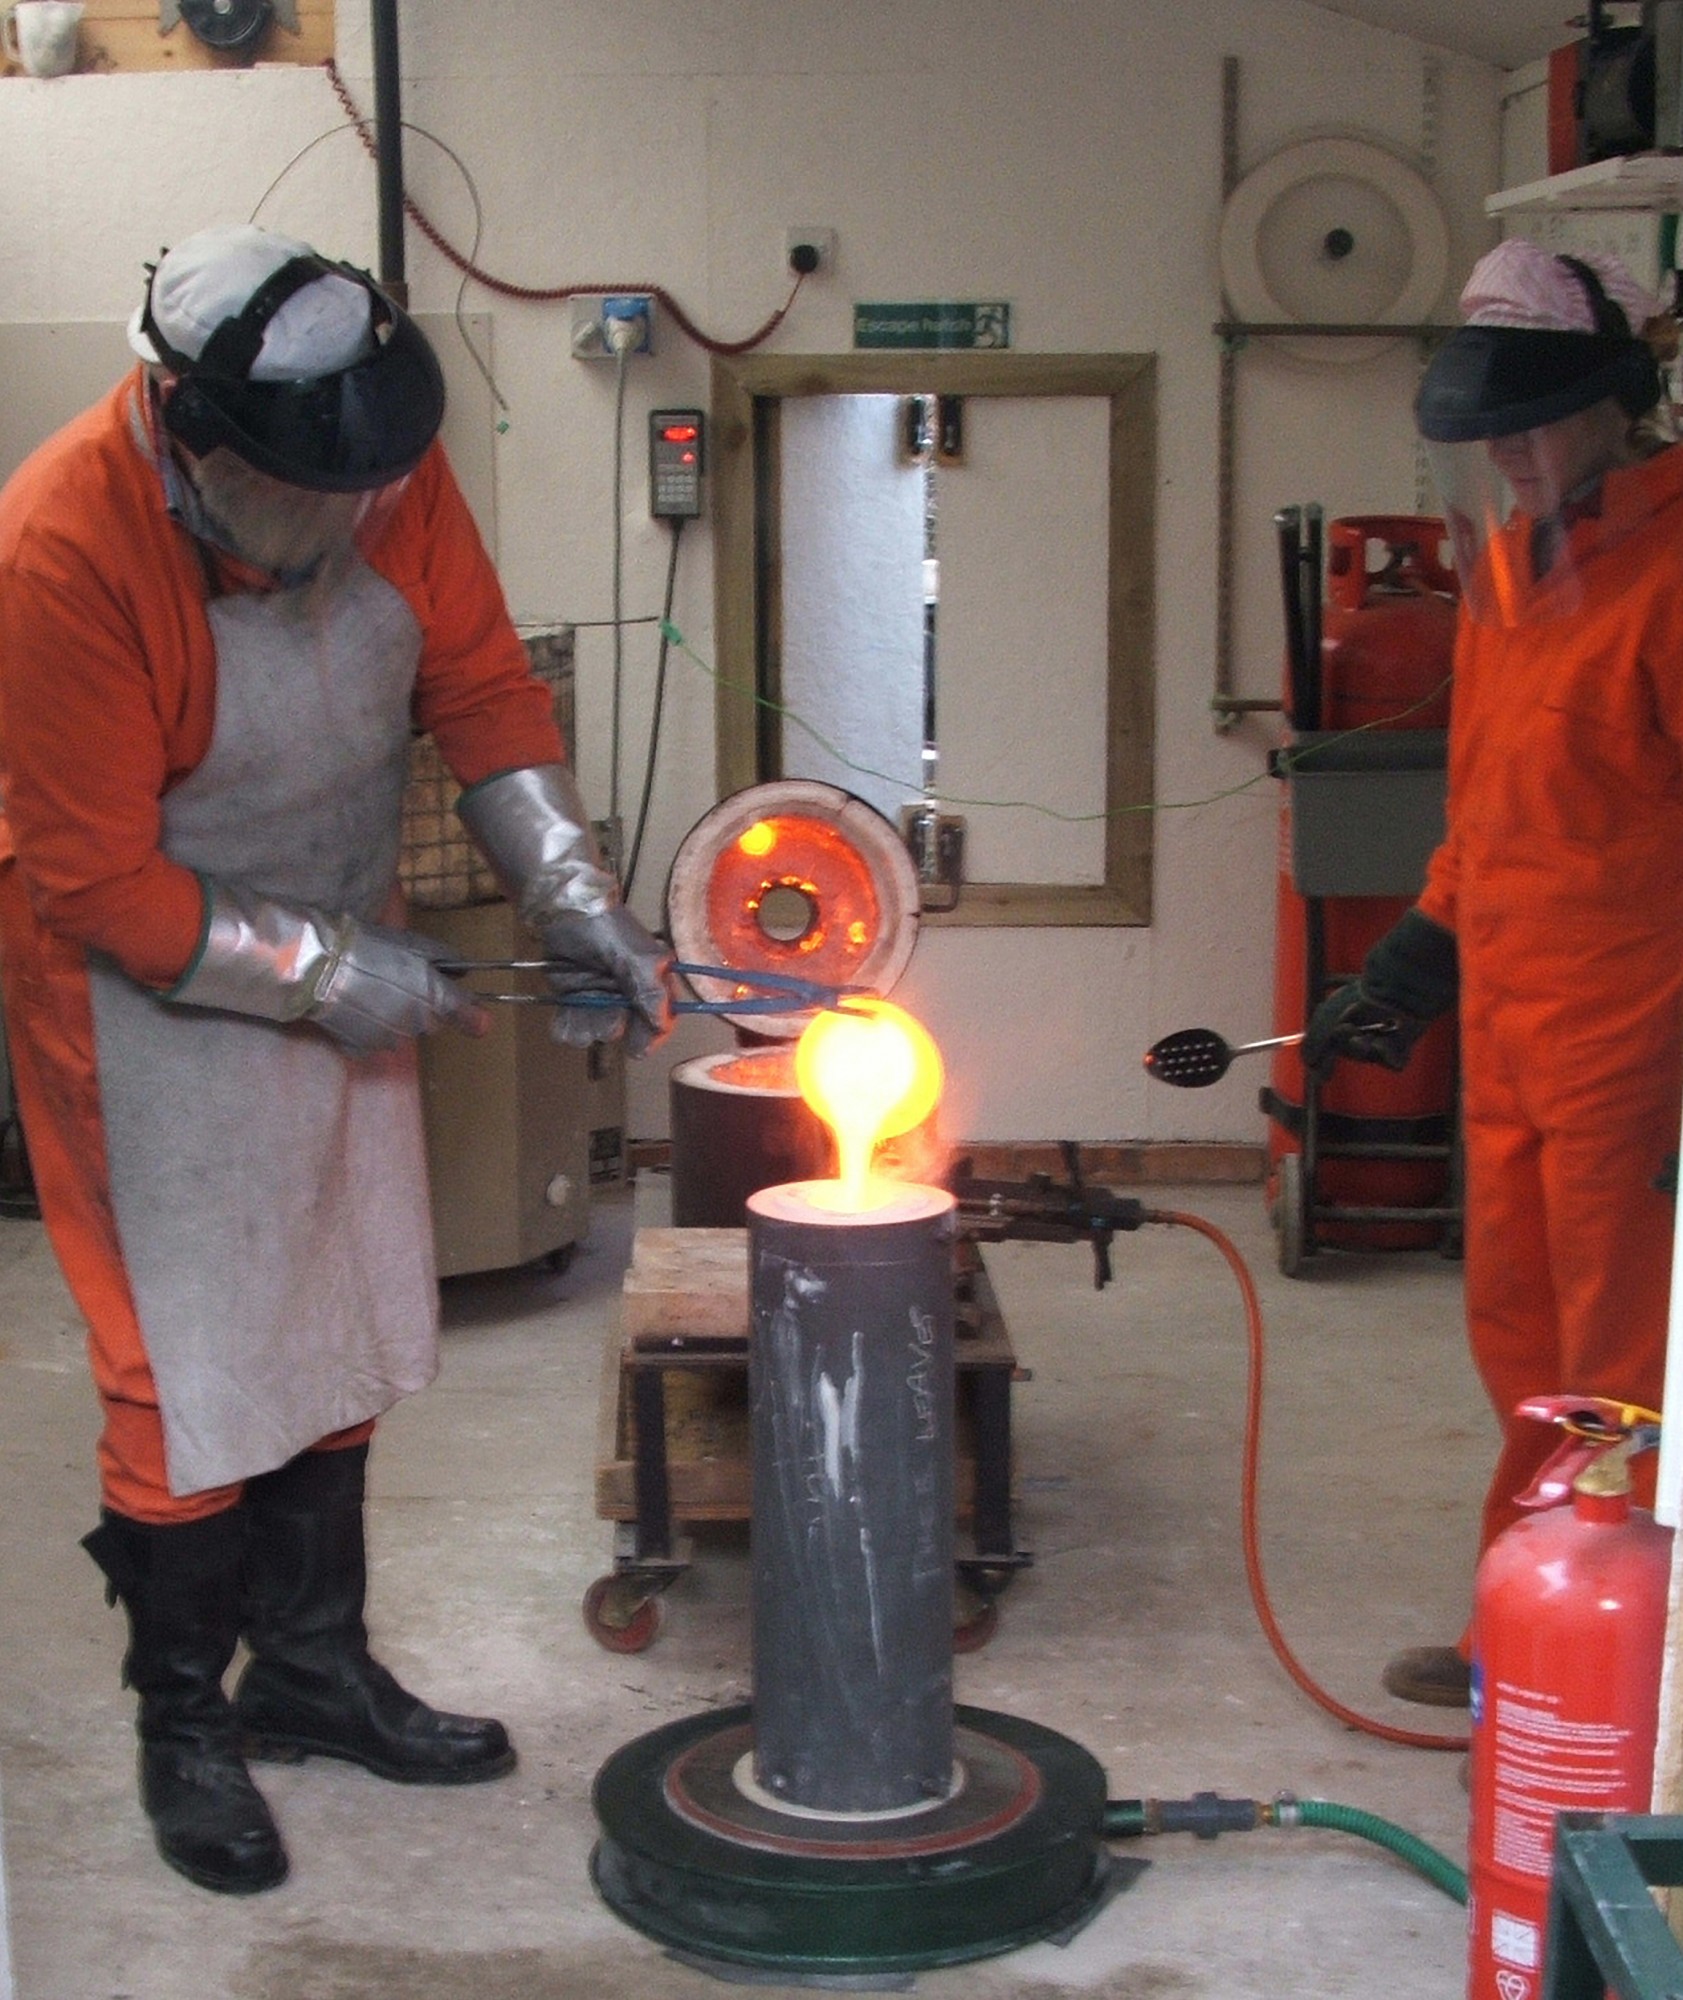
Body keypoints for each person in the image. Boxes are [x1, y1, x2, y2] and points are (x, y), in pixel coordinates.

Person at [0, 223, 673, 1891]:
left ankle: (310, 1675)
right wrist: (318, 973)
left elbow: (484, 689)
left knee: (342, 1310)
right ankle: (188, 1725)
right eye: (313, 496)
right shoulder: (60, 552)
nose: (353, 526)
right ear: (197, 439)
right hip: (136, 994)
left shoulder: (382, 461)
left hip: (337, 937)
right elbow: (93, 878)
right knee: (185, 1362)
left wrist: (574, 892)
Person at [1303, 237, 1683, 1709]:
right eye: (1488, 433)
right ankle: (1526, 1639)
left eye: (1533, 423)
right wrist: (1415, 952)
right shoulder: (1520, 571)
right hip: (1519, 1041)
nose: (1511, 458)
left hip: (1635, 1056)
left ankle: (1625, 1681)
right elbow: (1493, 806)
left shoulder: (1668, 572)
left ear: (1614, 404)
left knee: (1626, 1374)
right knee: (1528, 1362)